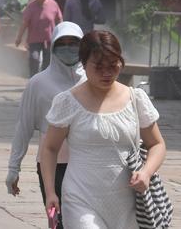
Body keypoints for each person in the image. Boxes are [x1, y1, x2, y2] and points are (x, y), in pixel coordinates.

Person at [40, 31, 167, 229]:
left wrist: (146, 172)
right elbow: (49, 148)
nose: (106, 73)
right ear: (83, 64)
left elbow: (157, 144)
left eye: (112, 65)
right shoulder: (67, 102)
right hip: (80, 197)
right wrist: (50, 192)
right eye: (98, 67)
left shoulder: (136, 98)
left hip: (128, 202)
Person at [6, 22, 85, 228]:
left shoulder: (91, 80)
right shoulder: (38, 83)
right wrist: (14, 167)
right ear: (52, 47)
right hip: (52, 165)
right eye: (62, 44)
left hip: (87, 163)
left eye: (74, 43)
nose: (68, 49)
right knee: (59, 221)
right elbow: (23, 127)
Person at [15, 0, 63, 77]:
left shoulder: (53, 4)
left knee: (47, 62)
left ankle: (44, 82)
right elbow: (25, 23)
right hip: (34, 40)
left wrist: (62, 35)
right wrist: (19, 38)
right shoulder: (31, 6)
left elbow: (60, 19)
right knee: (34, 59)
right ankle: (33, 80)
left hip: (49, 39)